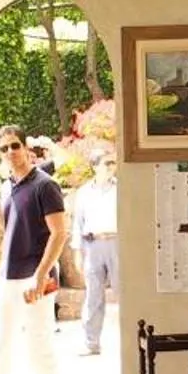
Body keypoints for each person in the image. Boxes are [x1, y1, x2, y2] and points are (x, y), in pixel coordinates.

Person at [0, 124, 68, 374]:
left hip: (37, 276)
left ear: (26, 149)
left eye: (15, 145)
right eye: (5, 148)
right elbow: (9, 233)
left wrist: (41, 274)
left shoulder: (45, 186)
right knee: (1, 343)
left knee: (39, 343)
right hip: (8, 277)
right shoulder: (6, 187)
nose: (11, 152)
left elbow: (59, 234)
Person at [67, 150, 119, 355]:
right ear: (95, 166)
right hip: (93, 243)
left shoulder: (120, 189)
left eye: (112, 163)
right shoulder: (84, 193)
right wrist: (78, 253)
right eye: (105, 163)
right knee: (93, 296)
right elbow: (78, 224)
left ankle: (131, 339)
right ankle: (91, 343)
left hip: (116, 241)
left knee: (124, 292)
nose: (109, 167)